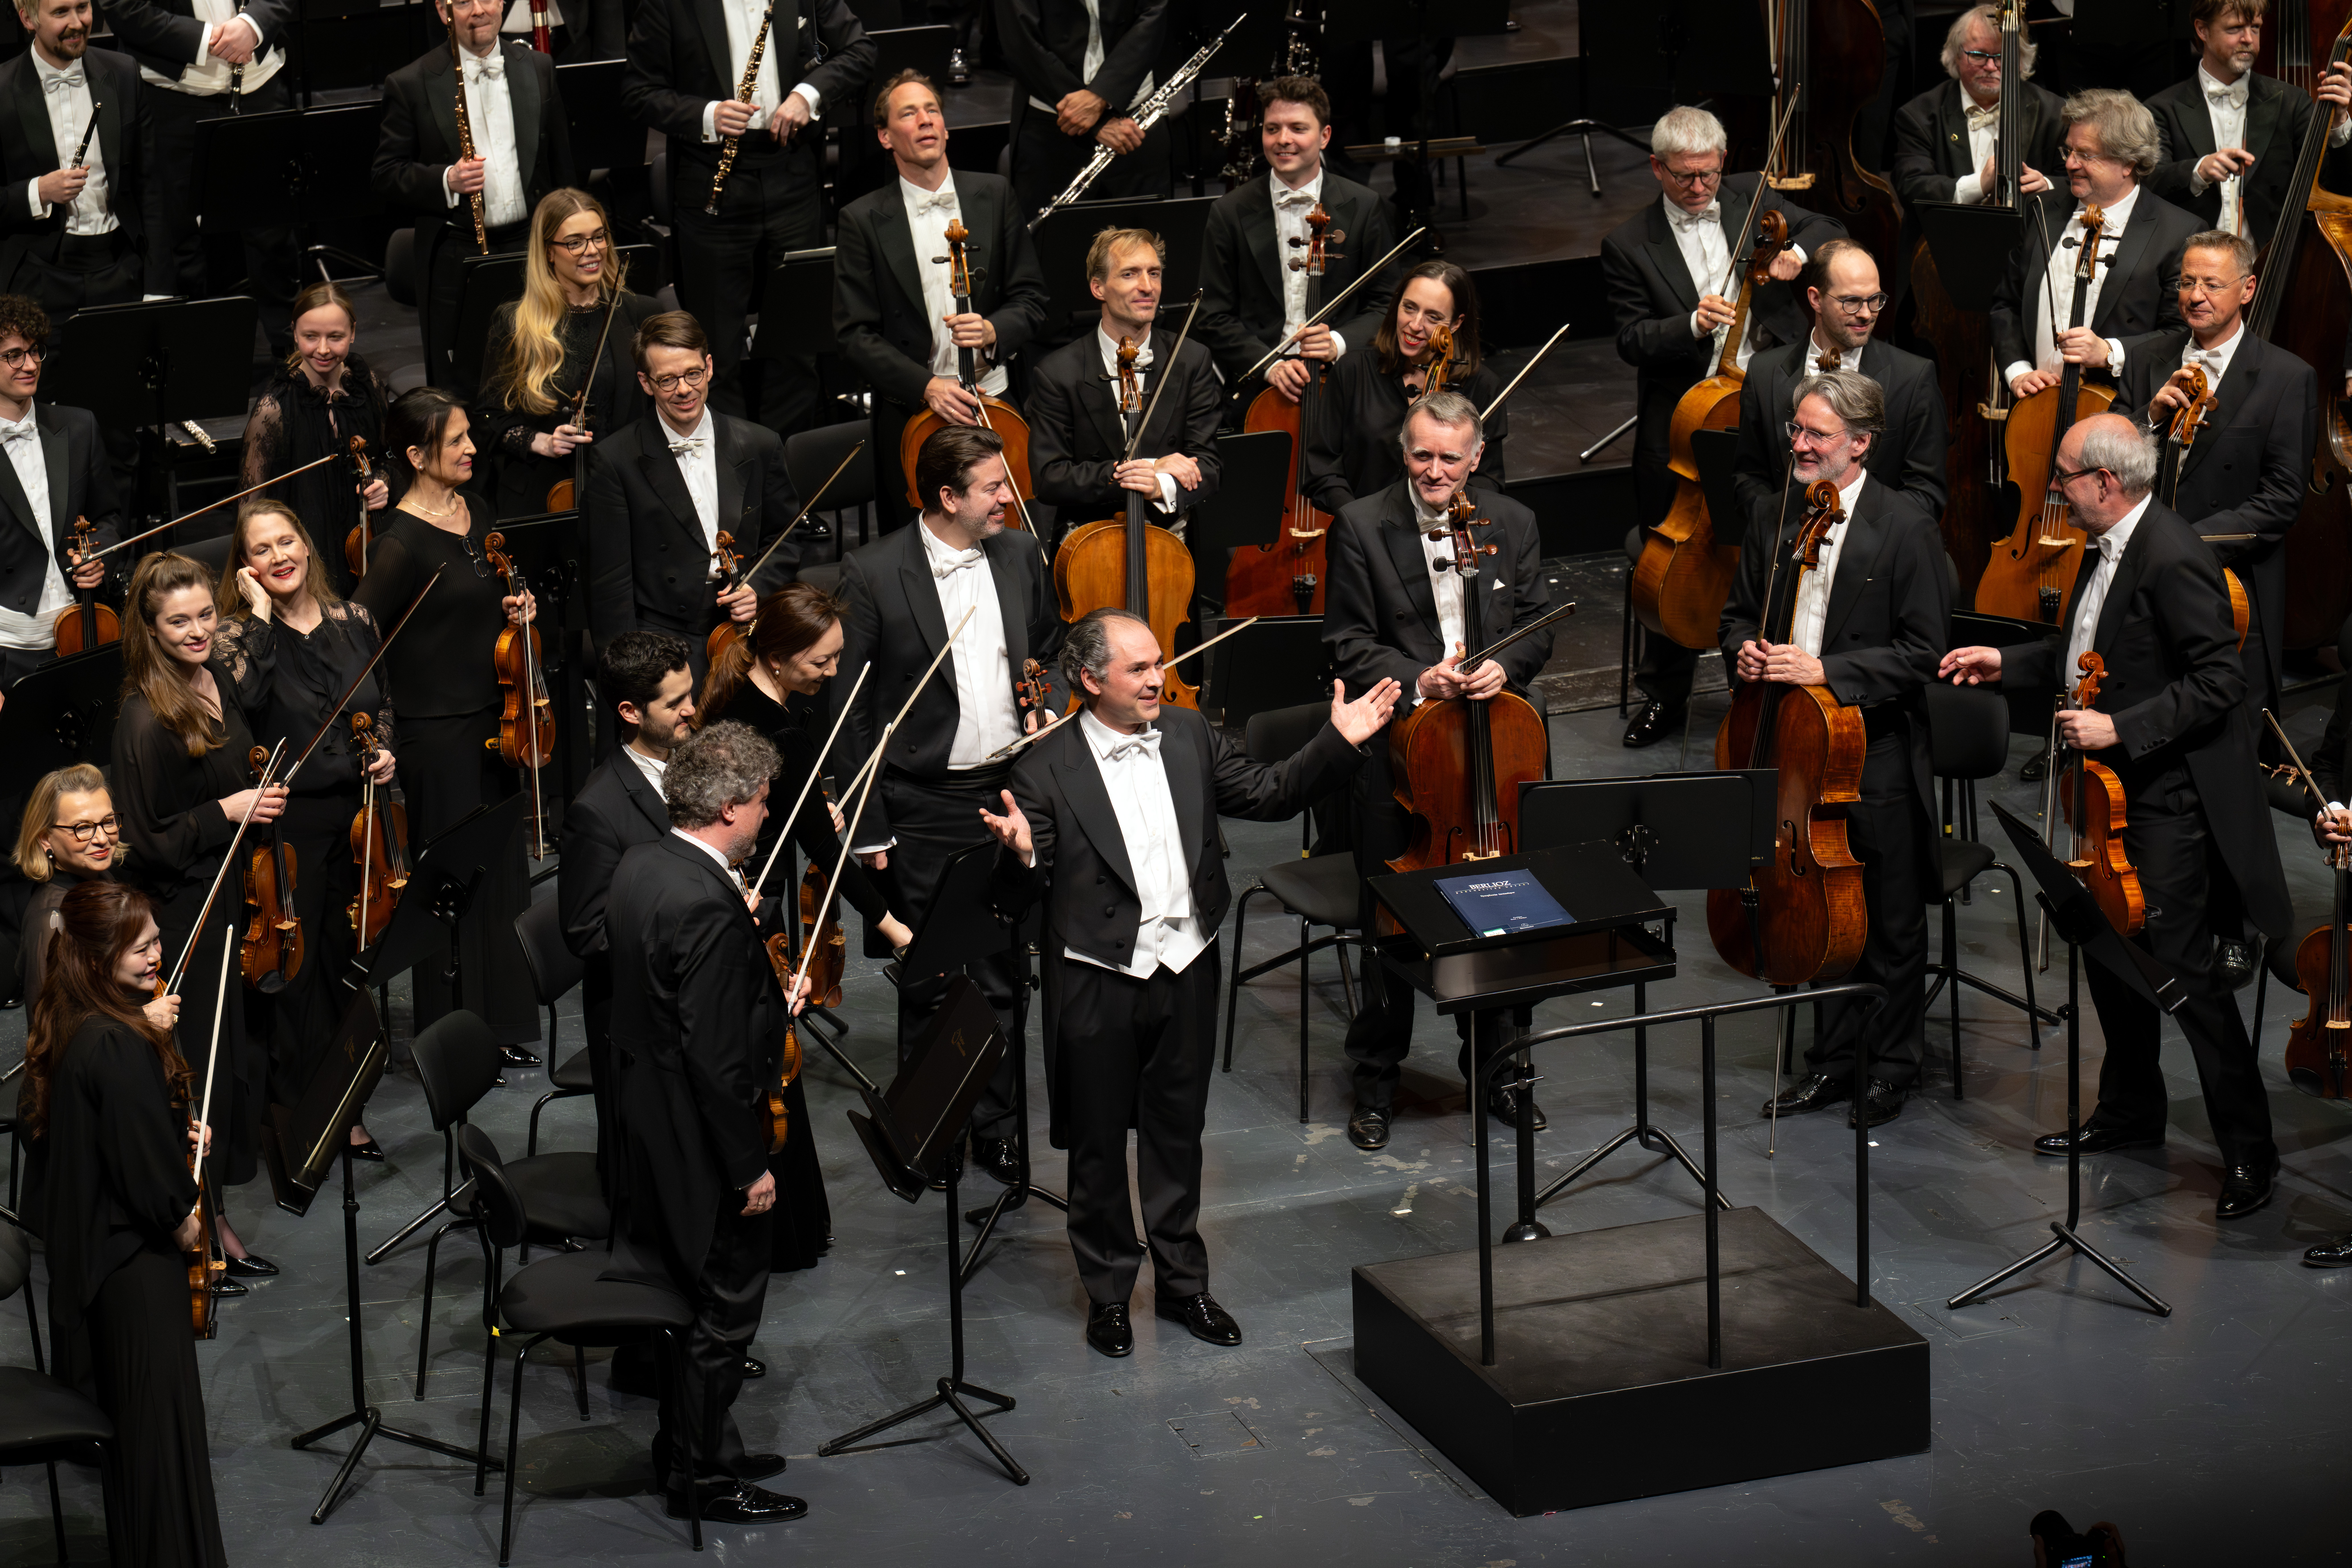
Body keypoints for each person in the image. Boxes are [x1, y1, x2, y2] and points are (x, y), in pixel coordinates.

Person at [982, 608, 1395, 1356]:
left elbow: (1269, 792)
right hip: (1099, 978)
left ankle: (1182, 1285)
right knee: (1099, 1147)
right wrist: (1019, 857)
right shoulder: (1044, 769)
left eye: (1159, 663)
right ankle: (1109, 1293)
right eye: (1139, 668)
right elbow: (1015, 899)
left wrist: (1338, 743)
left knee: (1178, 1136)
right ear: (1089, 679)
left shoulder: (1189, 732)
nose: (1158, 679)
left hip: (1186, 966)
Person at [1941, 414, 2291, 1222]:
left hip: (2168, 806)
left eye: (2063, 475)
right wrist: (2006, 661)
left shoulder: (2173, 556)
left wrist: (2119, 728)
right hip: (2111, 799)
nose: (2053, 489)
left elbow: (2220, 682)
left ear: (2105, 482)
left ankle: (2251, 1152)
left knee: (2183, 976)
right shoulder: (2108, 547)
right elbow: (2085, 652)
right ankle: (2131, 1111)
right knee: (2109, 952)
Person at [1320, 390, 1557, 1151]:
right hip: (1404, 757)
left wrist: (1504, 668)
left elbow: (1535, 626)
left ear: (1476, 458)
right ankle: (1376, 1084)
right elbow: (1346, 642)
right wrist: (1421, 679)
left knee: (1505, 917)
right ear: (1404, 451)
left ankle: (1502, 1073)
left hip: (1496, 756)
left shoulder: (1512, 522)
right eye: (1422, 455)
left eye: (1450, 458)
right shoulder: (1362, 525)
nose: (1435, 471)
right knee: (1391, 924)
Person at [835, 424, 1061, 1185]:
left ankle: (997, 1127)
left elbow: (1050, 651)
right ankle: (929, 1132)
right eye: (993, 487)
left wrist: (1046, 702)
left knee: (1003, 970)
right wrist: (868, 826)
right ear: (947, 496)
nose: (1009, 498)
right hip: (922, 800)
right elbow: (850, 710)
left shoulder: (1021, 555)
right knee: (932, 977)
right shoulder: (873, 571)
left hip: (1007, 790)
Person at [1725, 372, 1949, 1128]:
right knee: (1819, 908)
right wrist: (1744, 650)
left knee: (1887, 917)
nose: (1799, 444)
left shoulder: (1905, 527)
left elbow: (1924, 653)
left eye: (1816, 434)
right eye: (1796, 429)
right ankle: (1831, 1060)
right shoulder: (1775, 513)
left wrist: (1827, 670)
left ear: (1860, 444)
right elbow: (1736, 614)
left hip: (1870, 748)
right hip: (1789, 742)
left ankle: (1891, 1067)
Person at [600, 719, 806, 1526]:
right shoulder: (706, 905)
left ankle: (697, 1446)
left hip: (648, 1124)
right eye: (761, 802)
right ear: (727, 807)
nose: (766, 814)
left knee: (692, 1304)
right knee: (722, 1312)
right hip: (700, 1144)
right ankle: (703, 1479)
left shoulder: (646, 863)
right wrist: (748, 1167)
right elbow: (715, 1061)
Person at [1603, 104, 1845, 749]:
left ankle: (1764, 684)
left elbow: (1828, 226)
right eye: (1685, 176)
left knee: (1772, 545)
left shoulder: (1751, 198)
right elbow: (1630, 340)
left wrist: (1795, 252)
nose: (1699, 187)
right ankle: (1665, 693)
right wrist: (1689, 324)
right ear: (1657, 168)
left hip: (1771, 403)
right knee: (1674, 555)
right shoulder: (1628, 243)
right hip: (1685, 417)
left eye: (1708, 173)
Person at [699, 582, 914, 1271]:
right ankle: (775, 1232)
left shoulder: (750, 702)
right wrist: (890, 923)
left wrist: (815, 807)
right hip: (748, 905)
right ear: (780, 656)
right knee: (767, 1061)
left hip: (746, 891)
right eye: (822, 661)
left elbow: (804, 818)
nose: (832, 672)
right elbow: (824, 846)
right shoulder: (778, 731)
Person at [17, 880, 225, 1567]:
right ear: (98, 957)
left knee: (139, 1446)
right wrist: (183, 1218)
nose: (157, 956)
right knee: (161, 1442)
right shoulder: (117, 1041)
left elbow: (101, 1135)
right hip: (136, 1270)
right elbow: (144, 1176)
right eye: (141, 948)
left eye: (157, 941)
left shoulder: (73, 1016)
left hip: (101, 1268)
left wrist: (169, 1126)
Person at [111, 550, 287, 1282]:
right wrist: (228, 810)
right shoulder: (143, 718)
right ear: (150, 630)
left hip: (231, 898)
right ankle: (200, 1229)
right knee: (199, 1076)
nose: (198, 631)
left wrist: (259, 795)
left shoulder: (218, 678)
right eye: (178, 621)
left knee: (233, 1064)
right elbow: (144, 841)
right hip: (185, 911)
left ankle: (216, 1214)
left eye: (206, 615)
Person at [353, 387, 543, 1063]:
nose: (470, 447)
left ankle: (504, 1024)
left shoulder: (477, 510)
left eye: (468, 434)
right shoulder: (399, 543)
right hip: (438, 734)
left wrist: (517, 608)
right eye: (456, 439)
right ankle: (455, 1040)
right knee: (452, 887)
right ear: (415, 455)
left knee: (502, 877)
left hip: (498, 719)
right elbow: (357, 632)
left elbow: (486, 600)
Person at [212, 499, 396, 1157]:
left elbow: (384, 701)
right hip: (291, 828)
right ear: (244, 567)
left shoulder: (355, 620)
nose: (279, 556)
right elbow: (242, 703)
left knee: (350, 963)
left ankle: (347, 1103)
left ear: (308, 545)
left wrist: (386, 749)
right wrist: (261, 616)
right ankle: (300, 1114)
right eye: (261, 550)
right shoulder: (237, 638)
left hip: (361, 817)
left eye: (286, 541)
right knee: (296, 973)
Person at [620, 0, 873, 432]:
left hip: (792, 171)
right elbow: (638, 92)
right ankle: (732, 462)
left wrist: (808, 94)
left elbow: (860, 51)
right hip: (711, 179)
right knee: (714, 350)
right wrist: (707, 114)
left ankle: (789, 459)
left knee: (798, 344)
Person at [2112, 228, 2311, 743]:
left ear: (2247, 289)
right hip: (2142, 578)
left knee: (2228, 736)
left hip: (2231, 580)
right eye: (2186, 282)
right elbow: (2106, 461)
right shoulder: (2146, 360)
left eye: (2212, 285)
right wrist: (2149, 417)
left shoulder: (2287, 377)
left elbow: (2281, 499)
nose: (2195, 296)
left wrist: (2183, 546)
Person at [833, 68, 1052, 532]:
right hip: (914, 411)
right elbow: (854, 334)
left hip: (993, 399)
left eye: (932, 110)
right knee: (918, 547)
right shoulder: (862, 219)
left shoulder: (995, 193)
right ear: (885, 137)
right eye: (909, 114)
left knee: (1009, 541)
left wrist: (993, 330)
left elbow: (1032, 298)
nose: (925, 120)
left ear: (947, 128)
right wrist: (926, 386)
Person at [583, 311, 799, 681]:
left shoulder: (760, 444)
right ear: (645, 382)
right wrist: (631, 675)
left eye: (693, 374)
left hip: (743, 629)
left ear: (709, 367)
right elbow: (609, 586)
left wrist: (758, 588)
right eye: (667, 379)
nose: (684, 390)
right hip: (662, 641)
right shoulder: (615, 460)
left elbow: (787, 538)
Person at [373, 0, 575, 393]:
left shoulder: (539, 67)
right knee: (463, 386)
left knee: (544, 372)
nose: (478, 10)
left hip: (531, 247)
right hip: (457, 254)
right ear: (443, 11)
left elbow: (561, 166)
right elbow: (385, 174)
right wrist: (447, 179)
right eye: (463, 2)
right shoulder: (410, 82)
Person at [1991, 89, 2204, 407]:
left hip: (2119, 412)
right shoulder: (2041, 210)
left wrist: (2109, 352)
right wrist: (2019, 372)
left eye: (2086, 155)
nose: (2070, 164)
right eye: (2069, 150)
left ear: (2128, 163)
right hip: (2032, 411)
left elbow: (2181, 333)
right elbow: (2006, 304)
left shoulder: (2180, 232)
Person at [1196, 75, 1398, 399]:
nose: (1283, 140)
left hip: (1346, 377)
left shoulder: (1364, 206)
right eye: (1272, 129)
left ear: (1325, 136)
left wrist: (1338, 342)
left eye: (1298, 129)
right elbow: (1212, 315)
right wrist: (1268, 365)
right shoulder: (1229, 211)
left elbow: (1387, 304)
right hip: (1260, 380)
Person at [1730, 239, 1948, 534]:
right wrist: (1782, 534)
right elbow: (1749, 477)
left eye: (1875, 300)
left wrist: (1852, 540)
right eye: (1851, 301)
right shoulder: (1763, 372)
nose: (1867, 314)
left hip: (1871, 553)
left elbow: (1926, 494)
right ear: (1816, 299)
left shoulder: (1913, 378)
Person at [100, 0, 294, 329]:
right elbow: (123, 7)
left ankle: (288, 344)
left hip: (261, 85)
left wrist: (253, 24)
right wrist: (207, 40)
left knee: (273, 230)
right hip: (172, 96)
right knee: (178, 238)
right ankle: (193, 348)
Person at [479, 187, 664, 520]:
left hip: (627, 486)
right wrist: (540, 441)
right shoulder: (515, 323)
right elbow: (490, 416)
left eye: (599, 237)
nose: (592, 251)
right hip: (547, 490)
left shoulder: (641, 313)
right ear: (549, 252)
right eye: (575, 242)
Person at [1028, 226, 1223, 533]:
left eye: (1154, 274)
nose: (1147, 287)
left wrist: (1159, 486)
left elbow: (1209, 467)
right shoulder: (1057, 373)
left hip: (1173, 538)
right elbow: (1049, 479)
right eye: (1130, 274)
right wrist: (1148, 469)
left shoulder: (1191, 359)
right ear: (1098, 288)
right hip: (1090, 540)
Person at [0, 0, 170, 312]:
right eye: (61, 12)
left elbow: (152, 188)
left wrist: (159, 288)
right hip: (38, 279)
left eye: (83, 7)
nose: (78, 22)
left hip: (122, 269)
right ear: (28, 19)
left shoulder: (124, 73)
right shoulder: (3, 90)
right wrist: (39, 192)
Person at [1302, 259, 1506, 516]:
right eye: (1409, 308)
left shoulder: (1483, 387)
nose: (1415, 325)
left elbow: (1489, 481)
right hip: (1357, 529)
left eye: (1433, 317)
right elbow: (1322, 468)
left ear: (1456, 323)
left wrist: (1442, 514)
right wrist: (1358, 520)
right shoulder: (1352, 371)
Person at [2143, 0, 2352, 249]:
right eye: (2235, 28)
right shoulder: (2161, 109)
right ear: (2202, 30)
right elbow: (2148, 186)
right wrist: (2199, 170)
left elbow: (2334, 188)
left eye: (2255, 28)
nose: (2249, 39)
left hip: (2274, 263)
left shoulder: (2293, 103)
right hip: (2193, 265)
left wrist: (2338, 124)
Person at [240, 280, 393, 600]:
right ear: (295, 333)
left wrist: (382, 480)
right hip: (305, 556)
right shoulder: (274, 409)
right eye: (311, 337)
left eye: (335, 337)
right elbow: (250, 505)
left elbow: (388, 456)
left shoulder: (367, 386)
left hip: (365, 544)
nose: (323, 349)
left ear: (353, 332)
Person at [0, 293, 112, 689]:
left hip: (83, 633)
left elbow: (108, 517)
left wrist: (100, 555)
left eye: (35, 351)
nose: (31, 365)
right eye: (14, 356)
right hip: (8, 650)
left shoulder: (80, 427)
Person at [999, 0, 1171, 219]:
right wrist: (1095, 118)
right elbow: (1020, 42)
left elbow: (1154, 13)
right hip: (1052, 126)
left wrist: (1102, 96)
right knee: (1056, 236)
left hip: (1134, 114)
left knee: (1143, 232)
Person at [1887, 3, 2062, 217]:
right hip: (1947, 232)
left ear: (2021, 61)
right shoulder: (1918, 115)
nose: (1991, 67)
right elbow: (1911, 186)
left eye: (2003, 57)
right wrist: (1979, 185)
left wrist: (2048, 186)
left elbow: (2075, 181)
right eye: (1979, 55)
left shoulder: (2055, 113)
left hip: (2029, 234)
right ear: (1956, 55)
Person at [13, 761, 117, 1014]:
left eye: (108, 821)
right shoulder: (52, 921)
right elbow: (52, 1030)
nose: (103, 838)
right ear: (45, 839)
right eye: (83, 828)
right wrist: (144, 1018)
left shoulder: (101, 877)